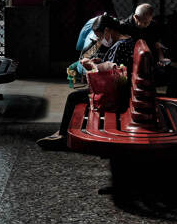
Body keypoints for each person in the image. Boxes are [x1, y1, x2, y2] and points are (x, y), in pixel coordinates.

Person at [38, 14, 135, 150]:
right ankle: (63, 132)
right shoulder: (127, 41)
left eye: (100, 36)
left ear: (107, 30)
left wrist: (92, 65)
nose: (100, 40)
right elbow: (116, 68)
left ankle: (63, 136)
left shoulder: (120, 45)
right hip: (123, 90)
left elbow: (115, 76)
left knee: (73, 98)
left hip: (117, 95)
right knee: (76, 97)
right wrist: (99, 62)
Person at [119, 3, 177, 97]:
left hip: (150, 65)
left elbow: (157, 45)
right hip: (131, 67)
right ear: (136, 17)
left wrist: (161, 58)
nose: (147, 25)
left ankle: (170, 100)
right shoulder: (123, 27)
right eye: (145, 22)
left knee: (176, 75)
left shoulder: (151, 26)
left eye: (149, 21)